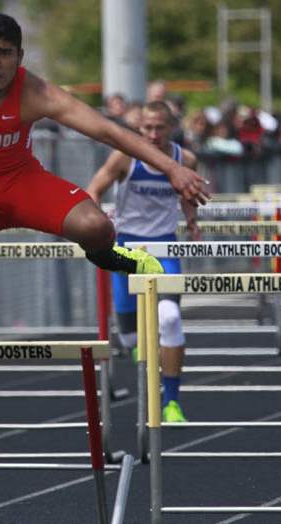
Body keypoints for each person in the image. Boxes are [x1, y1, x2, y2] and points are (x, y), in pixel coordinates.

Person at [0, 13, 207, 333]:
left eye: (5, 53)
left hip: (20, 182)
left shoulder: (35, 92)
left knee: (95, 225)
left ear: (20, 57)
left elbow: (106, 130)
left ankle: (107, 256)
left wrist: (171, 167)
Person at [87, 101, 200, 422]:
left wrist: (192, 222)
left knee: (169, 319)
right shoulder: (125, 156)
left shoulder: (185, 159)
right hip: (125, 249)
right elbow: (93, 189)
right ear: (140, 127)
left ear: (170, 127)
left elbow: (188, 195)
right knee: (132, 341)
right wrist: (97, 226)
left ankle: (172, 402)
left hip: (164, 249)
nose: (152, 134)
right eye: (146, 128)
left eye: (159, 128)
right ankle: (148, 383)